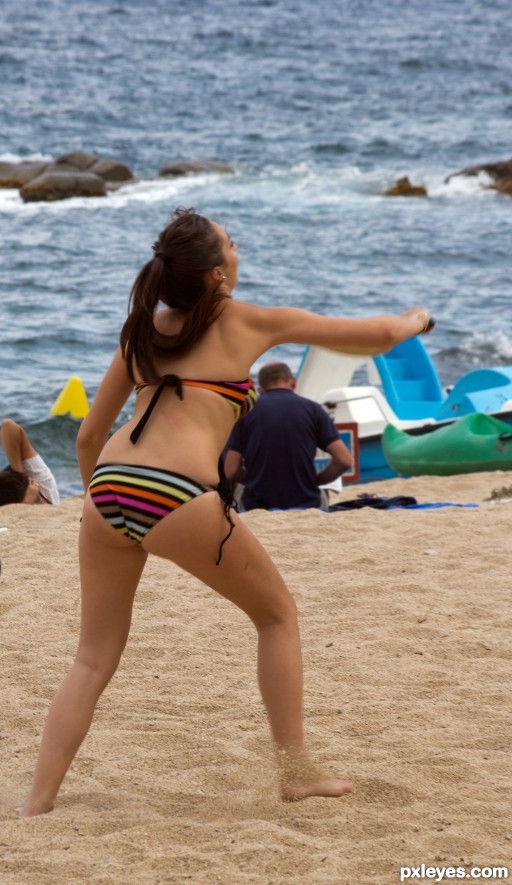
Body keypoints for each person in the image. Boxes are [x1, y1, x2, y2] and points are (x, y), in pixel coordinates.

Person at [21, 207, 434, 816]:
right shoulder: (242, 319)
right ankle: (295, 772)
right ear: (215, 275)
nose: (239, 252)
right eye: (232, 245)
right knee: (277, 616)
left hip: (108, 489)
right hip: (176, 493)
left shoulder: (141, 329)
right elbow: (372, 337)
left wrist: (109, 518)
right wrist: (414, 319)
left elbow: (87, 437)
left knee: (91, 658)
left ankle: (37, 803)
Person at [224, 361, 353, 511]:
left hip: (257, 506)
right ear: (293, 383)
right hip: (307, 503)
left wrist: (253, 480)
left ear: (260, 390)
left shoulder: (246, 413)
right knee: (323, 494)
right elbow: (344, 460)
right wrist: (315, 481)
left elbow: (231, 470)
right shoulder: (314, 410)